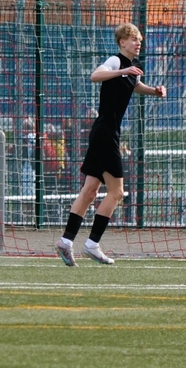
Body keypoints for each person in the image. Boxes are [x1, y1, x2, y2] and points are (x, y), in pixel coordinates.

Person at [55, 23, 166, 266]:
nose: (138, 43)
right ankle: (92, 244)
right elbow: (96, 75)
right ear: (122, 43)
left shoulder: (131, 69)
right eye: (133, 39)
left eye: (139, 39)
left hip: (103, 133)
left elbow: (135, 87)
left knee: (91, 190)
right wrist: (120, 72)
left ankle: (66, 241)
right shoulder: (116, 61)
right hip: (106, 134)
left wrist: (154, 91)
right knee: (116, 192)